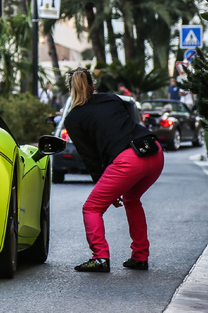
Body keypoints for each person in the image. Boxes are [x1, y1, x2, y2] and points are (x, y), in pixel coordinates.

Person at [64, 68, 164, 272]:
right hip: (154, 152)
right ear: (93, 86)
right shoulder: (111, 99)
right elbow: (126, 125)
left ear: (71, 89)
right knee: (132, 200)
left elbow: (89, 157)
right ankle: (140, 256)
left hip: (128, 160)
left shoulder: (74, 118)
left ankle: (100, 257)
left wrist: (105, 185)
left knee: (92, 208)